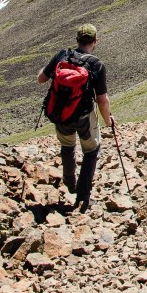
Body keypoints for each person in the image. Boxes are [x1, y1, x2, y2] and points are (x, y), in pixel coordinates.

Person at [37, 23, 114, 212]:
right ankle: (82, 197)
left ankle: (70, 183)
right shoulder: (96, 64)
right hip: (84, 116)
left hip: (61, 114)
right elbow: (102, 100)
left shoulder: (62, 55)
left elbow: (41, 78)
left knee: (67, 146)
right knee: (91, 151)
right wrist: (108, 120)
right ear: (95, 41)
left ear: (77, 40)